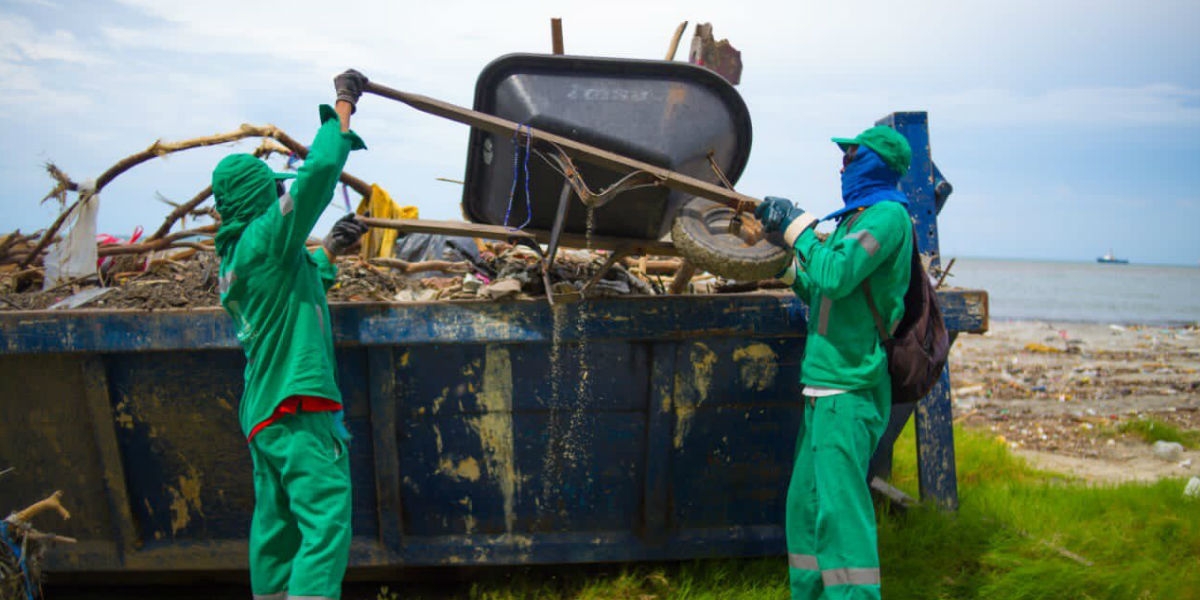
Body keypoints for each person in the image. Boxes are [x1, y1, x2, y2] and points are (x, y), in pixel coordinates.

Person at [212, 68, 370, 600]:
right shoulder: (267, 234)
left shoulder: (234, 262)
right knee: (325, 523)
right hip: (297, 405)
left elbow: (287, 290)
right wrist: (344, 105)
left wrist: (328, 251)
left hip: (263, 415)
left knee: (276, 533)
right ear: (260, 196)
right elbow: (322, 167)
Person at [755, 125, 914, 600]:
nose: (841, 167)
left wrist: (799, 227)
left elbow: (837, 273)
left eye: (850, 158)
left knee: (841, 515)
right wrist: (784, 264)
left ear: (872, 164)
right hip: (823, 385)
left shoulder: (887, 217)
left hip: (850, 388)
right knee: (806, 510)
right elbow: (823, 287)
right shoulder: (853, 221)